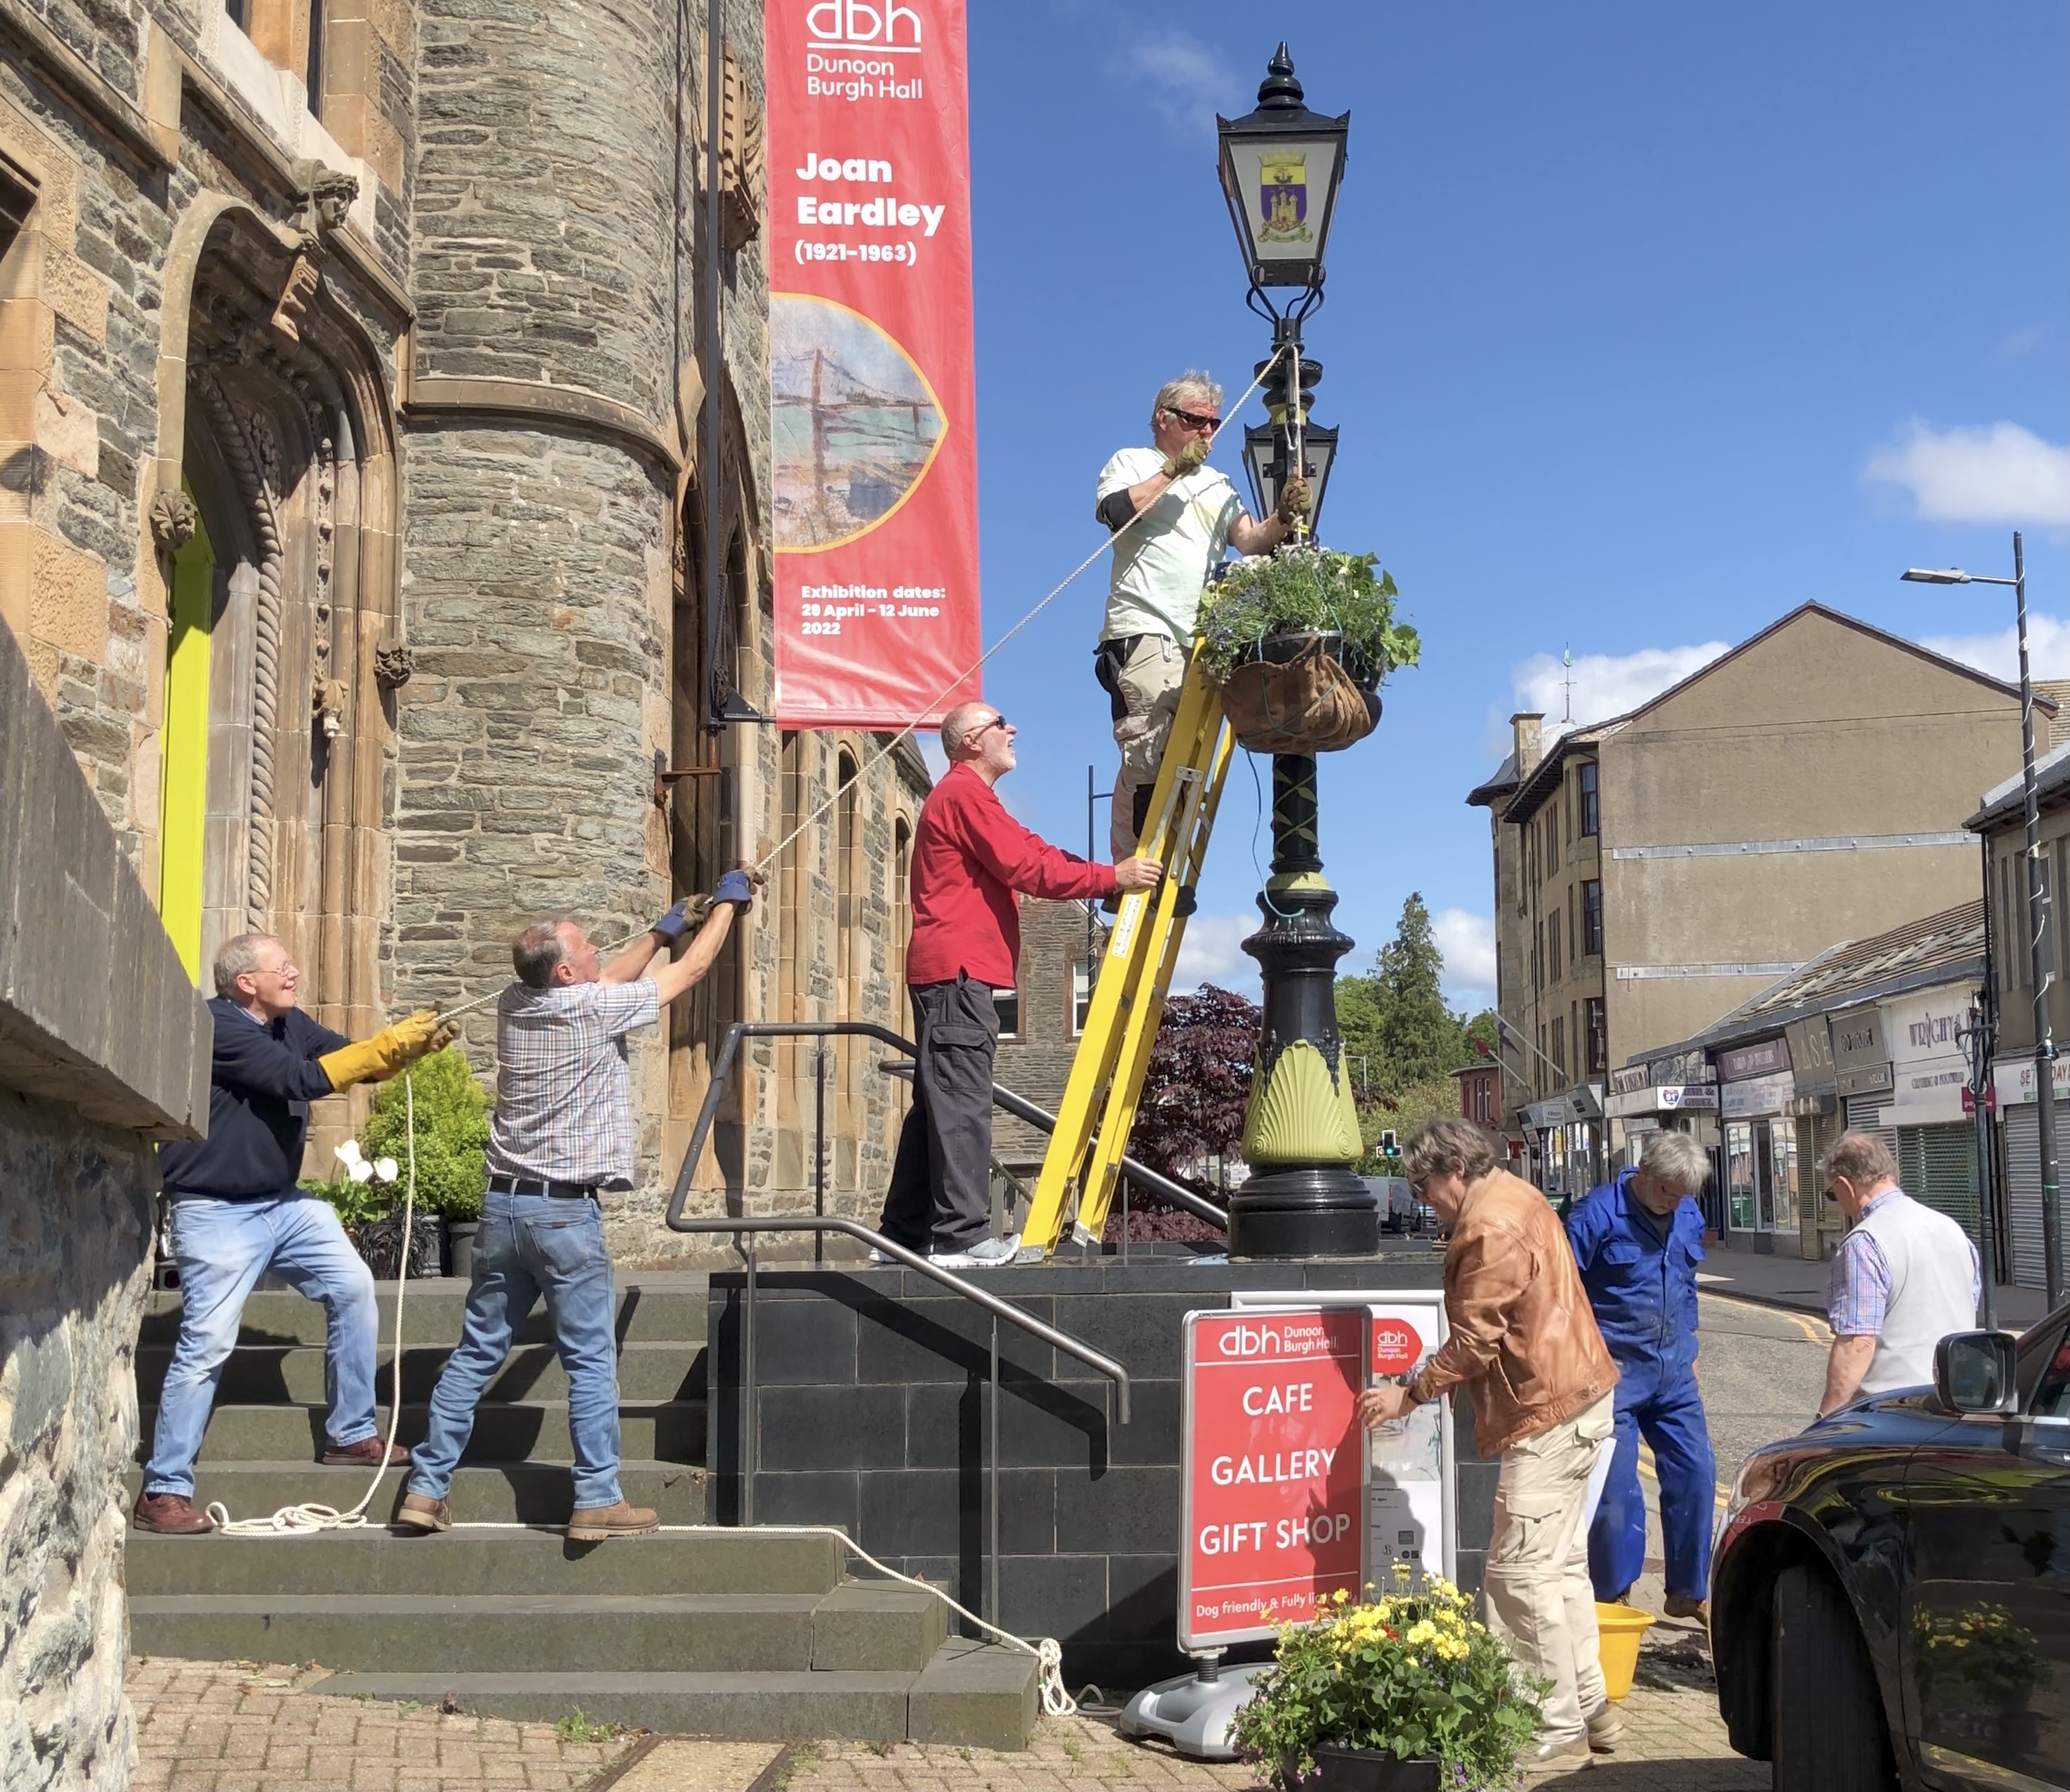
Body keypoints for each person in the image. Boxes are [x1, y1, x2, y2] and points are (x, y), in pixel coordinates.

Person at [397, 879, 752, 1539]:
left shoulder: (515, 1001)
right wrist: (730, 905)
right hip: (564, 1216)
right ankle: (596, 1499)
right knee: (589, 1360)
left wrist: (662, 930)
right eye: (585, 947)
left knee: (475, 1353)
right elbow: (693, 973)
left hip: (501, 1210)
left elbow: (608, 980)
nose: (597, 951)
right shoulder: (591, 1009)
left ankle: (425, 1488)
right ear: (564, 971)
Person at [135, 934, 452, 1534]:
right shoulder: (217, 1026)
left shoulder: (290, 1022)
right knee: (206, 1345)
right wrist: (385, 1047)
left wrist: (404, 1052)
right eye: (280, 966)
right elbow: (299, 1080)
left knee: (353, 1287)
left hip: (283, 1204)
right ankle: (163, 1489)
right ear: (245, 983)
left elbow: (349, 1058)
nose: (294, 971)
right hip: (214, 1210)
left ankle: (350, 1434)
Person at [1359, 1117, 1622, 1770]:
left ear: (1455, 1168)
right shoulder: (1515, 1193)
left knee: (1517, 1576)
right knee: (1559, 1567)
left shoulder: (1487, 1226)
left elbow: (1476, 1340)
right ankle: (1590, 1707)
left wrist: (1408, 1394)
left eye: (1424, 1185)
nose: (1424, 1200)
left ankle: (1551, 1727)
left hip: (1545, 1410)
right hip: (1576, 1396)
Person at [878, 702, 1162, 1267]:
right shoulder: (963, 795)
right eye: (998, 723)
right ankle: (961, 1237)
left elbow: (1032, 850)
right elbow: (1026, 868)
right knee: (961, 1103)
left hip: (952, 973)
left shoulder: (972, 799)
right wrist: (1114, 876)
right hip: (958, 974)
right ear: (969, 742)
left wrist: (1101, 877)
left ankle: (901, 1237)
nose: (1012, 729)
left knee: (937, 1104)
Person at [1093, 372, 1309, 860]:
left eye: (1214, 423)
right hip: (1144, 628)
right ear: (1163, 419)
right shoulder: (1132, 461)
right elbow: (1115, 511)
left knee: (1185, 757)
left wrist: (1283, 516)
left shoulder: (1217, 483)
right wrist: (1174, 471)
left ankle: (1165, 862)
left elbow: (1249, 541)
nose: (1208, 432)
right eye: (1196, 421)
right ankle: (1130, 868)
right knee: (1149, 755)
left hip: (1201, 639)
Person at [1565, 1130, 1716, 1623]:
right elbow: (1561, 1290)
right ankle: (1612, 1597)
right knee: (1617, 1493)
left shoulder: (1687, 1213)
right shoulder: (1597, 1214)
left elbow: (1687, 1284)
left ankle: (1688, 1591)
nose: (1674, 1203)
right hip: (1613, 1374)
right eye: (1668, 1192)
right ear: (1645, 1173)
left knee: (1696, 1474)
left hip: (1674, 1373)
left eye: (1683, 1196)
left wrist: (1690, 1341)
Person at [1817, 1132, 1979, 1419]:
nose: (1838, 1201)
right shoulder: (1950, 1228)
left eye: (1833, 1193)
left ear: (1845, 1184)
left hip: (1894, 1408)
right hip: (1954, 1401)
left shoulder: (1865, 1241)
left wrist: (1826, 1419)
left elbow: (1858, 1342)